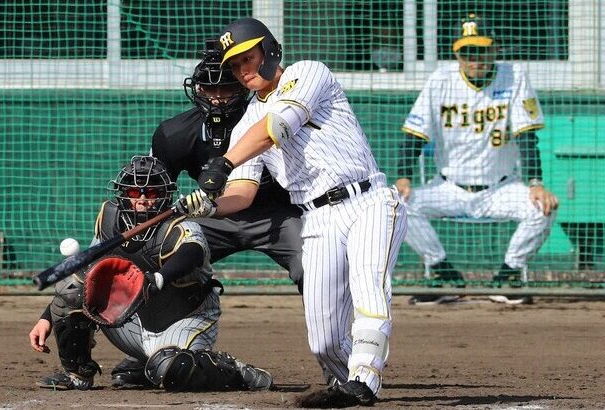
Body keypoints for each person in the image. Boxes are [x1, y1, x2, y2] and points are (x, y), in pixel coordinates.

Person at [180, 17, 407, 408]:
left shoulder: (307, 73)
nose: (242, 69)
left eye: (247, 58)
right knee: (324, 340)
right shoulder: (246, 124)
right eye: (235, 65)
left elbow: (277, 127)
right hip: (316, 218)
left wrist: (224, 164)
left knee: (370, 289)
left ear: (269, 51)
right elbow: (243, 194)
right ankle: (348, 385)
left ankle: (365, 380)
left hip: (368, 200)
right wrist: (211, 205)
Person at [107, 39, 306, 389]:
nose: (218, 96)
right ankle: (149, 352)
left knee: (315, 265)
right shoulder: (174, 132)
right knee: (154, 250)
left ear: (241, 85)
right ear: (196, 88)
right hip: (214, 216)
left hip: (277, 215)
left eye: (226, 86)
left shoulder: (267, 115)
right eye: (210, 87)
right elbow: (155, 192)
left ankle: (341, 352)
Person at [28, 156, 273, 392]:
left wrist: (157, 279)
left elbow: (192, 254)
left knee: (174, 370)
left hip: (184, 320)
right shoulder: (109, 219)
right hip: (133, 320)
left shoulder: (183, 224)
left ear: (166, 195)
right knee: (72, 285)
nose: (143, 199)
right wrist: (47, 317)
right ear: (123, 194)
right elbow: (88, 272)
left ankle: (232, 371)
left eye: (152, 192)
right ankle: (78, 373)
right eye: (135, 192)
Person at [396, 13, 559, 305]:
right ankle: (444, 274)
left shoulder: (514, 75)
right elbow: (415, 133)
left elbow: (526, 136)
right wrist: (404, 178)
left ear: (494, 49)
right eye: (468, 53)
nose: (475, 60)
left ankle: (507, 276)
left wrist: (535, 183)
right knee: (395, 206)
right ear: (457, 54)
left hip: (501, 188)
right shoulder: (441, 80)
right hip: (449, 188)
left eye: (482, 51)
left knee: (543, 209)